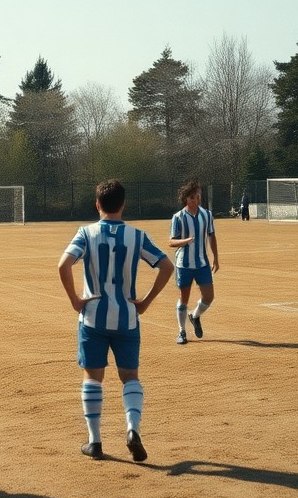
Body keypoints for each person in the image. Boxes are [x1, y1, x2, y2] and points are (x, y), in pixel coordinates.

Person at [57, 179, 172, 462]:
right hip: (127, 319)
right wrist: (145, 301)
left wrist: (75, 299)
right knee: (130, 377)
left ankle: (95, 442)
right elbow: (166, 265)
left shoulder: (86, 233)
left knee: (92, 378)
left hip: (93, 318)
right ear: (123, 205)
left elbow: (63, 264)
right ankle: (132, 429)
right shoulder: (137, 235)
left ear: (97, 205)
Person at [169, 180, 218, 345]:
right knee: (184, 298)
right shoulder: (178, 217)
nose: (196, 200)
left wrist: (216, 258)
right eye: (192, 197)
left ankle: (194, 316)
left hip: (202, 263)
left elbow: (211, 235)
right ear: (186, 199)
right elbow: (171, 242)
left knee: (209, 296)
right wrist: (185, 240)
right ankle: (182, 332)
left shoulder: (207, 215)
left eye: (198, 196)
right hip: (184, 264)